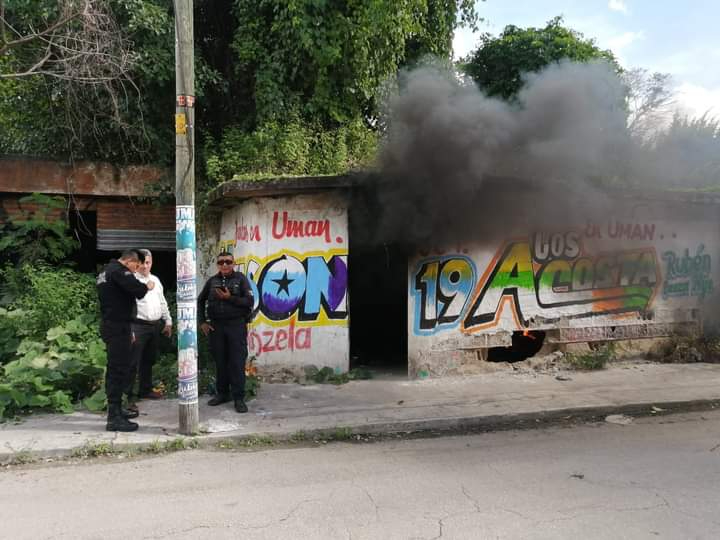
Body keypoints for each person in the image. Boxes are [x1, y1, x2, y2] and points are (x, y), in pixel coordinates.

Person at [97, 249, 155, 432]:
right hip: (117, 327)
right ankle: (114, 418)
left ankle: (116, 410)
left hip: (113, 324)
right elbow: (138, 290)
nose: (136, 270)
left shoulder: (105, 271)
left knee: (118, 368)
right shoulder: (119, 271)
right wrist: (147, 286)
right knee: (118, 370)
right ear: (130, 261)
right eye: (136, 266)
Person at [198, 251, 254, 413]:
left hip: (236, 326)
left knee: (236, 363)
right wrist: (203, 322)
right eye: (221, 262)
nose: (224, 265)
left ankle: (239, 398)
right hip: (217, 327)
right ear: (217, 265)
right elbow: (200, 301)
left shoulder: (241, 280)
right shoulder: (212, 281)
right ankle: (222, 394)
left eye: (228, 262)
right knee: (220, 362)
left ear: (233, 263)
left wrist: (229, 298)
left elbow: (249, 301)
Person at [127, 249, 172, 404]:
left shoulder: (156, 280)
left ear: (151, 263)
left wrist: (168, 321)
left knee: (149, 360)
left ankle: (145, 390)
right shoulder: (131, 280)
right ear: (137, 263)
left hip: (154, 326)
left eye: (148, 263)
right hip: (137, 325)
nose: (145, 266)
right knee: (132, 361)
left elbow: (162, 302)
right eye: (142, 263)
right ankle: (128, 396)